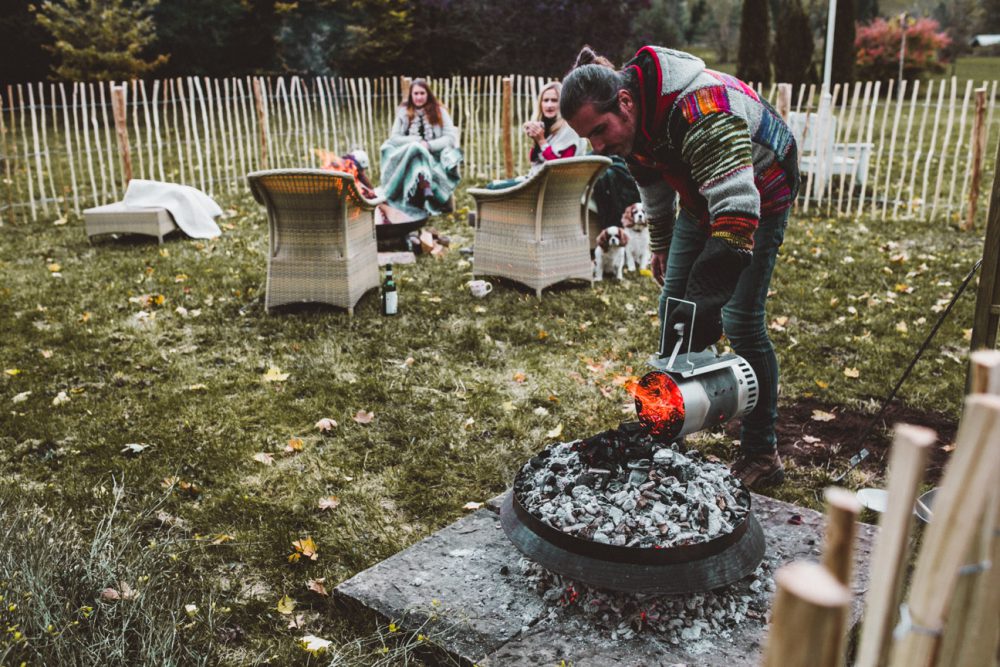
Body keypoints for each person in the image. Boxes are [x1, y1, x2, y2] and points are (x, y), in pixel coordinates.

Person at [560, 45, 799, 490]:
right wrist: (664, 244)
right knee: (673, 306)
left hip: (760, 190)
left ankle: (762, 452)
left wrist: (708, 298)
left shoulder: (702, 109)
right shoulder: (631, 124)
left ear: (625, 103)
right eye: (587, 138)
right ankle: (669, 426)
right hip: (700, 190)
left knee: (740, 320)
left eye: (599, 131)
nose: (597, 146)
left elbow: (737, 213)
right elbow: (649, 177)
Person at [379, 79, 463, 219]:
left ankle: (425, 187)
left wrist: (429, 145)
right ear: (411, 95)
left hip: (434, 154)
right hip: (410, 155)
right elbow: (394, 138)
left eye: (422, 93)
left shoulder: (439, 111)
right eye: (415, 93)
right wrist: (416, 142)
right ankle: (425, 187)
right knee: (417, 152)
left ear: (428, 94)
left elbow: (449, 137)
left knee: (420, 154)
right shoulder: (403, 112)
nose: (419, 97)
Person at [486, 81, 580, 189]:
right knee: (492, 185)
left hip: (551, 186)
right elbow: (534, 160)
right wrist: (536, 140)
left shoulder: (569, 130)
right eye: (545, 100)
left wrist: (541, 141)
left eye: (554, 100)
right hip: (536, 179)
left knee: (493, 189)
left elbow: (559, 169)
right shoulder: (547, 125)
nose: (549, 105)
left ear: (563, 103)